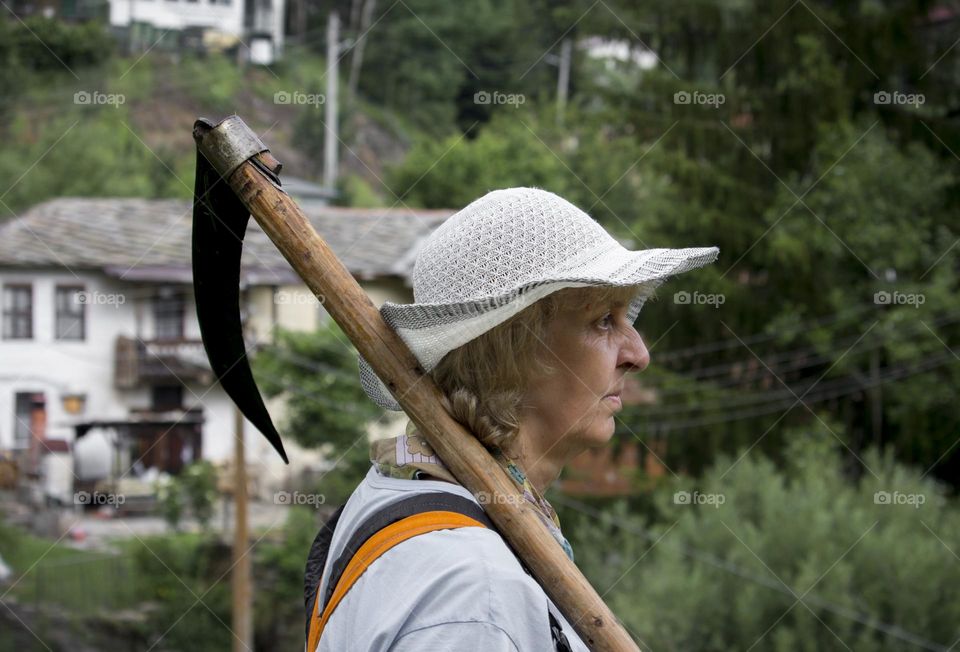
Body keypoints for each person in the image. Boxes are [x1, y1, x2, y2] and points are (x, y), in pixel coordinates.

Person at [310, 187, 719, 650]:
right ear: (513, 350)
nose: (639, 354)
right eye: (604, 320)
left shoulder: (404, 493)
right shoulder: (476, 596)